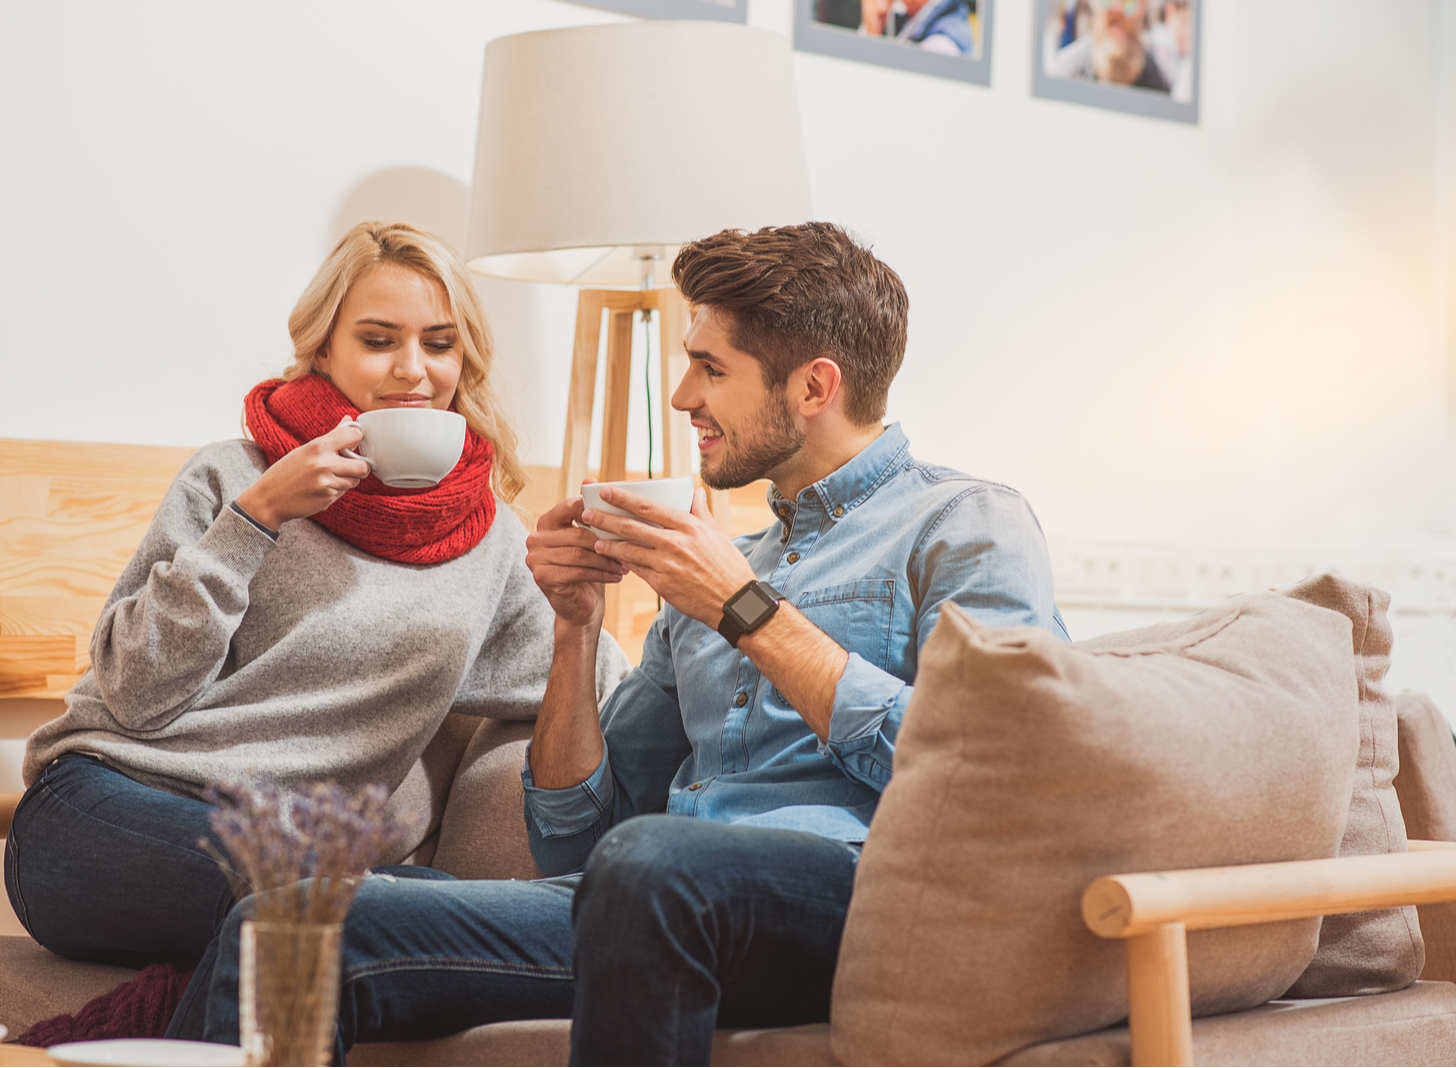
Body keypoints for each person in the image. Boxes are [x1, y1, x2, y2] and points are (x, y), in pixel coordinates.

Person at [168, 222, 1067, 1064]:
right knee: (288, 924)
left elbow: (1000, 775)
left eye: (709, 370)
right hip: (648, 902)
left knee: (656, 862)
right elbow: (580, 840)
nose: (682, 397)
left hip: (859, 898)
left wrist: (741, 608)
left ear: (814, 388)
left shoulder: (964, 525)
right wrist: (574, 627)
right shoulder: (717, 567)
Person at [6, 221, 627, 971]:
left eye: (439, 344)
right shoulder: (232, 478)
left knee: (381, 910)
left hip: (304, 853)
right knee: (343, 902)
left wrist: (652, 594)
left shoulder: (489, 541)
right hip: (112, 805)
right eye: (377, 339)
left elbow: (605, 684)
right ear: (323, 349)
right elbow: (134, 694)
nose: (413, 372)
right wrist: (258, 518)